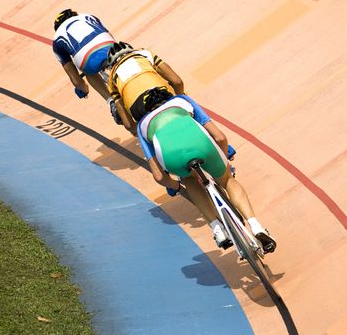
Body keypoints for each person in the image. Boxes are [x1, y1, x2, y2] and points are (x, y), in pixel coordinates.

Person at [107, 42, 276, 252]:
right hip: (197, 135)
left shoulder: (136, 114)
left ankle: (217, 228)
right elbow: (220, 137)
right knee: (227, 180)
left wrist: (176, 186)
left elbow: (158, 176)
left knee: (188, 179)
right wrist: (224, 160)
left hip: (169, 152)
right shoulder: (178, 97)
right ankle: (256, 225)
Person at [53, 9, 114, 103]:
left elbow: (76, 81)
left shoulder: (57, 38)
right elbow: (111, 37)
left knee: (89, 72)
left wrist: (83, 89)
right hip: (109, 47)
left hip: (87, 60)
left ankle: (111, 101)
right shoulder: (88, 16)